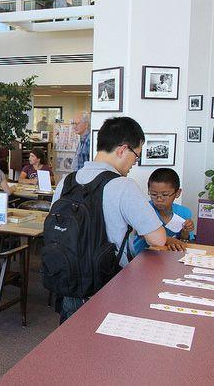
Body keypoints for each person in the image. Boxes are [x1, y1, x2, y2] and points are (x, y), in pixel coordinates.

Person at [51, 116, 184, 322]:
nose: (133, 164)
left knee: (71, 337)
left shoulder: (66, 182)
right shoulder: (123, 186)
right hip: (107, 285)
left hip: (69, 282)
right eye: (136, 156)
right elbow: (157, 239)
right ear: (123, 150)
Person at [132, 168, 193, 255]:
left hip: (172, 257)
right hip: (143, 256)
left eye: (165, 195)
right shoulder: (144, 209)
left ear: (178, 193)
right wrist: (168, 240)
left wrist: (185, 232)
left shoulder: (184, 212)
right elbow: (141, 233)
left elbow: (185, 241)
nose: (159, 199)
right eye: (153, 194)